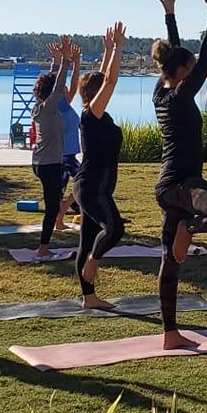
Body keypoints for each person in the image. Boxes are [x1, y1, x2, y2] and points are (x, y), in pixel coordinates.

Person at [152, 0, 207, 350]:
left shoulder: (161, 90)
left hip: (168, 187)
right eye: (192, 69)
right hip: (184, 186)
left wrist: (171, 17)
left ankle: (170, 334)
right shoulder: (183, 94)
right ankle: (189, 226)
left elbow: (178, 56)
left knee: (170, 262)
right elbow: (204, 56)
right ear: (185, 73)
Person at [74, 23, 127, 308]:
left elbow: (105, 78)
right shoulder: (92, 115)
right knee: (115, 229)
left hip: (90, 185)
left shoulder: (94, 114)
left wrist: (108, 50)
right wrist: (118, 48)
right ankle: (93, 264)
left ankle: (89, 298)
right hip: (94, 188)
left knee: (88, 238)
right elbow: (111, 81)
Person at [31, 35, 72, 262]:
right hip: (49, 164)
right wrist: (65, 61)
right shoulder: (47, 108)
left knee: (53, 205)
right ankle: (43, 248)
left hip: (40, 162)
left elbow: (50, 82)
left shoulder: (39, 106)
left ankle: (44, 245)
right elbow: (56, 86)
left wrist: (56, 61)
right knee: (51, 209)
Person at [54, 42, 82, 231]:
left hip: (69, 155)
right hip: (63, 156)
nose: (67, 88)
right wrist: (60, 62)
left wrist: (76, 64)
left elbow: (73, 84)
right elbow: (62, 83)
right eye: (62, 87)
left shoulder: (66, 104)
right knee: (80, 181)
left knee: (71, 186)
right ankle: (59, 218)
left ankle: (60, 216)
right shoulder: (59, 105)